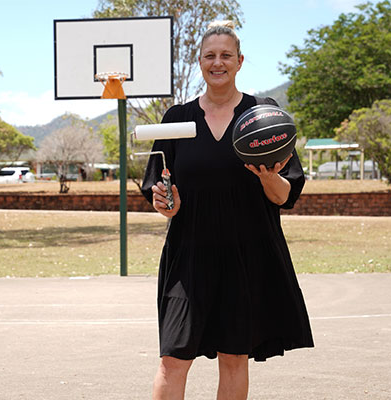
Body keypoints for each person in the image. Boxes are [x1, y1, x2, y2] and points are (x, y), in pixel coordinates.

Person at [141, 20, 314, 400]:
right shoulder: (176, 120)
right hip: (189, 255)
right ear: (199, 61)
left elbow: (285, 195)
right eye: (210, 56)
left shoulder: (263, 116)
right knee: (173, 359)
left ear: (239, 61)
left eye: (225, 55)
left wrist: (268, 177)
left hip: (247, 252)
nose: (217, 62)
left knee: (234, 357)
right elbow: (160, 193)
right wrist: (167, 204)